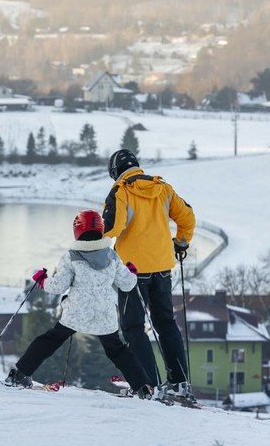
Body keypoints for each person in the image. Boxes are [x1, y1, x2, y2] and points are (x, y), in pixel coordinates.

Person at [5, 209, 154, 399]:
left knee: (49, 341)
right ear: (101, 229)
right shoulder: (111, 256)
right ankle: (142, 387)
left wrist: (42, 279)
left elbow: (57, 287)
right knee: (118, 351)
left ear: (77, 229)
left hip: (75, 315)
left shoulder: (71, 257)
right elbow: (128, 284)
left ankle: (19, 375)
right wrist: (131, 272)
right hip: (104, 316)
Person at [103, 149, 196, 399]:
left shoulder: (121, 191)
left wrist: (90, 246)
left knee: (133, 327)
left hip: (132, 271)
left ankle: (147, 385)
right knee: (166, 323)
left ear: (115, 172)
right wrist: (181, 243)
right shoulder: (162, 188)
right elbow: (187, 217)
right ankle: (179, 382)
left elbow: (111, 229)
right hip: (162, 267)